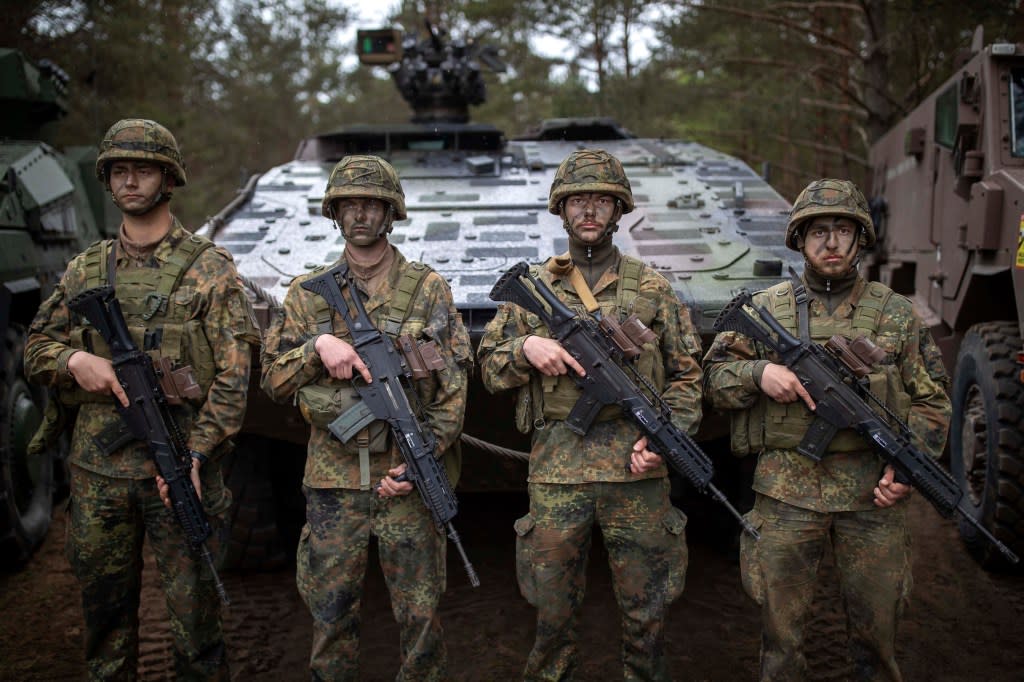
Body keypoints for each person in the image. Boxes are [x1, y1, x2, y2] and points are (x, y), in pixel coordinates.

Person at [23, 118, 260, 680]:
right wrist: (75, 361)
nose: (131, 182)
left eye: (144, 169)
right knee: (105, 627)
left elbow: (233, 379)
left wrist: (197, 455)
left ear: (168, 178)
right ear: (107, 179)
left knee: (197, 630)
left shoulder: (209, 270)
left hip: (179, 468)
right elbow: (36, 345)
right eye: (120, 171)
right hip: (98, 473)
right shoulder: (86, 269)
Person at [703, 178, 952, 681]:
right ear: (799, 239)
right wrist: (759, 373)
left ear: (861, 239)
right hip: (785, 496)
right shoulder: (766, 309)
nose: (831, 242)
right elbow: (714, 382)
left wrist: (906, 468)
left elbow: (932, 401)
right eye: (818, 231)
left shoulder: (896, 314)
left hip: (872, 500)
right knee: (782, 642)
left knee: (877, 640)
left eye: (843, 230)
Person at [477, 149, 702, 680]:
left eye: (601, 200)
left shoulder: (652, 287)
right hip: (558, 470)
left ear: (618, 209)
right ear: (561, 210)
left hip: (638, 472)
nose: (589, 211)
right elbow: (488, 367)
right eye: (578, 200)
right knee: (552, 616)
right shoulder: (532, 289)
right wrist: (525, 348)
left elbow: (689, 374)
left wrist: (667, 440)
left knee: (647, 615)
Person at [260, 155, 471, 681]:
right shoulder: (308, 294)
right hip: (334, 486)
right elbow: (274, 380)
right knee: (330, 618)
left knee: (420, 623)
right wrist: (318, 346)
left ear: (390, 212)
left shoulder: (427, 290)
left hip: (409, 482)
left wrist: (427, 456)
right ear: (335, 213)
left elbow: (453, 388)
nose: (359, 215)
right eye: (348, 205)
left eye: (371, 204)